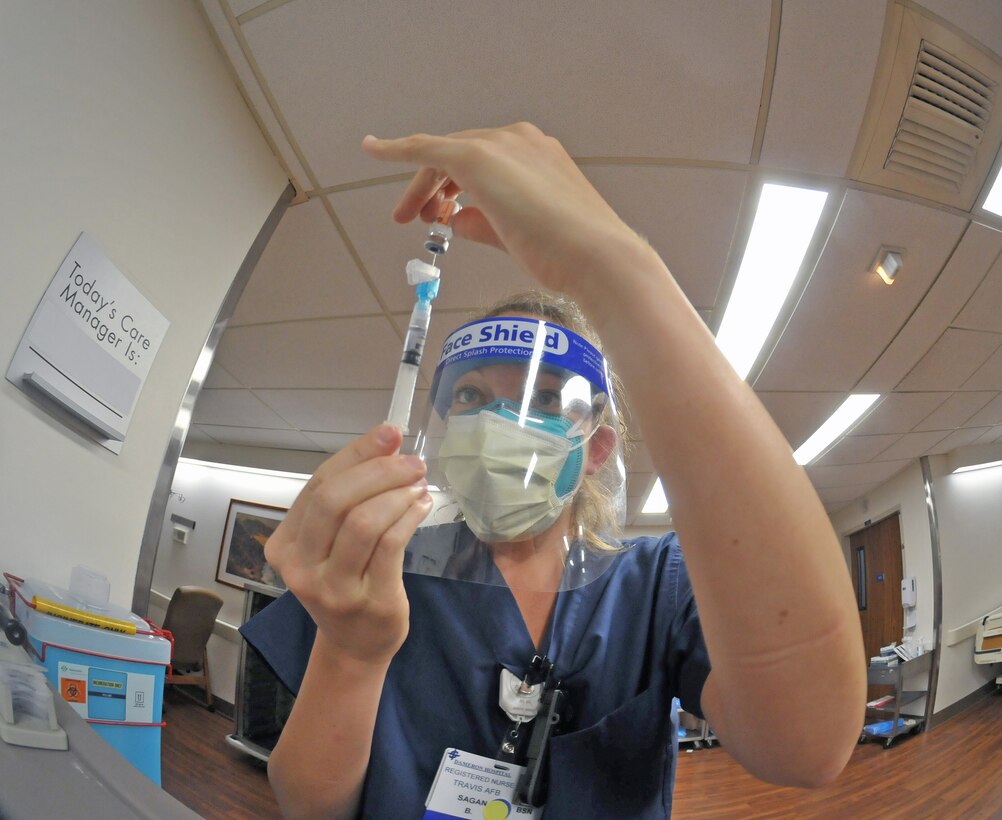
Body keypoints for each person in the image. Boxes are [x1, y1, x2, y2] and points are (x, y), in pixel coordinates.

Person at [242, 123, 866, 818]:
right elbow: (306, 803)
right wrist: (352, 655)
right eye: (474, 399)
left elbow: (807, 747)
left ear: (596, 449)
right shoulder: (382, 570)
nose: (501, 427)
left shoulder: (653, 584)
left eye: (543, 402)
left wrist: (615, 270)